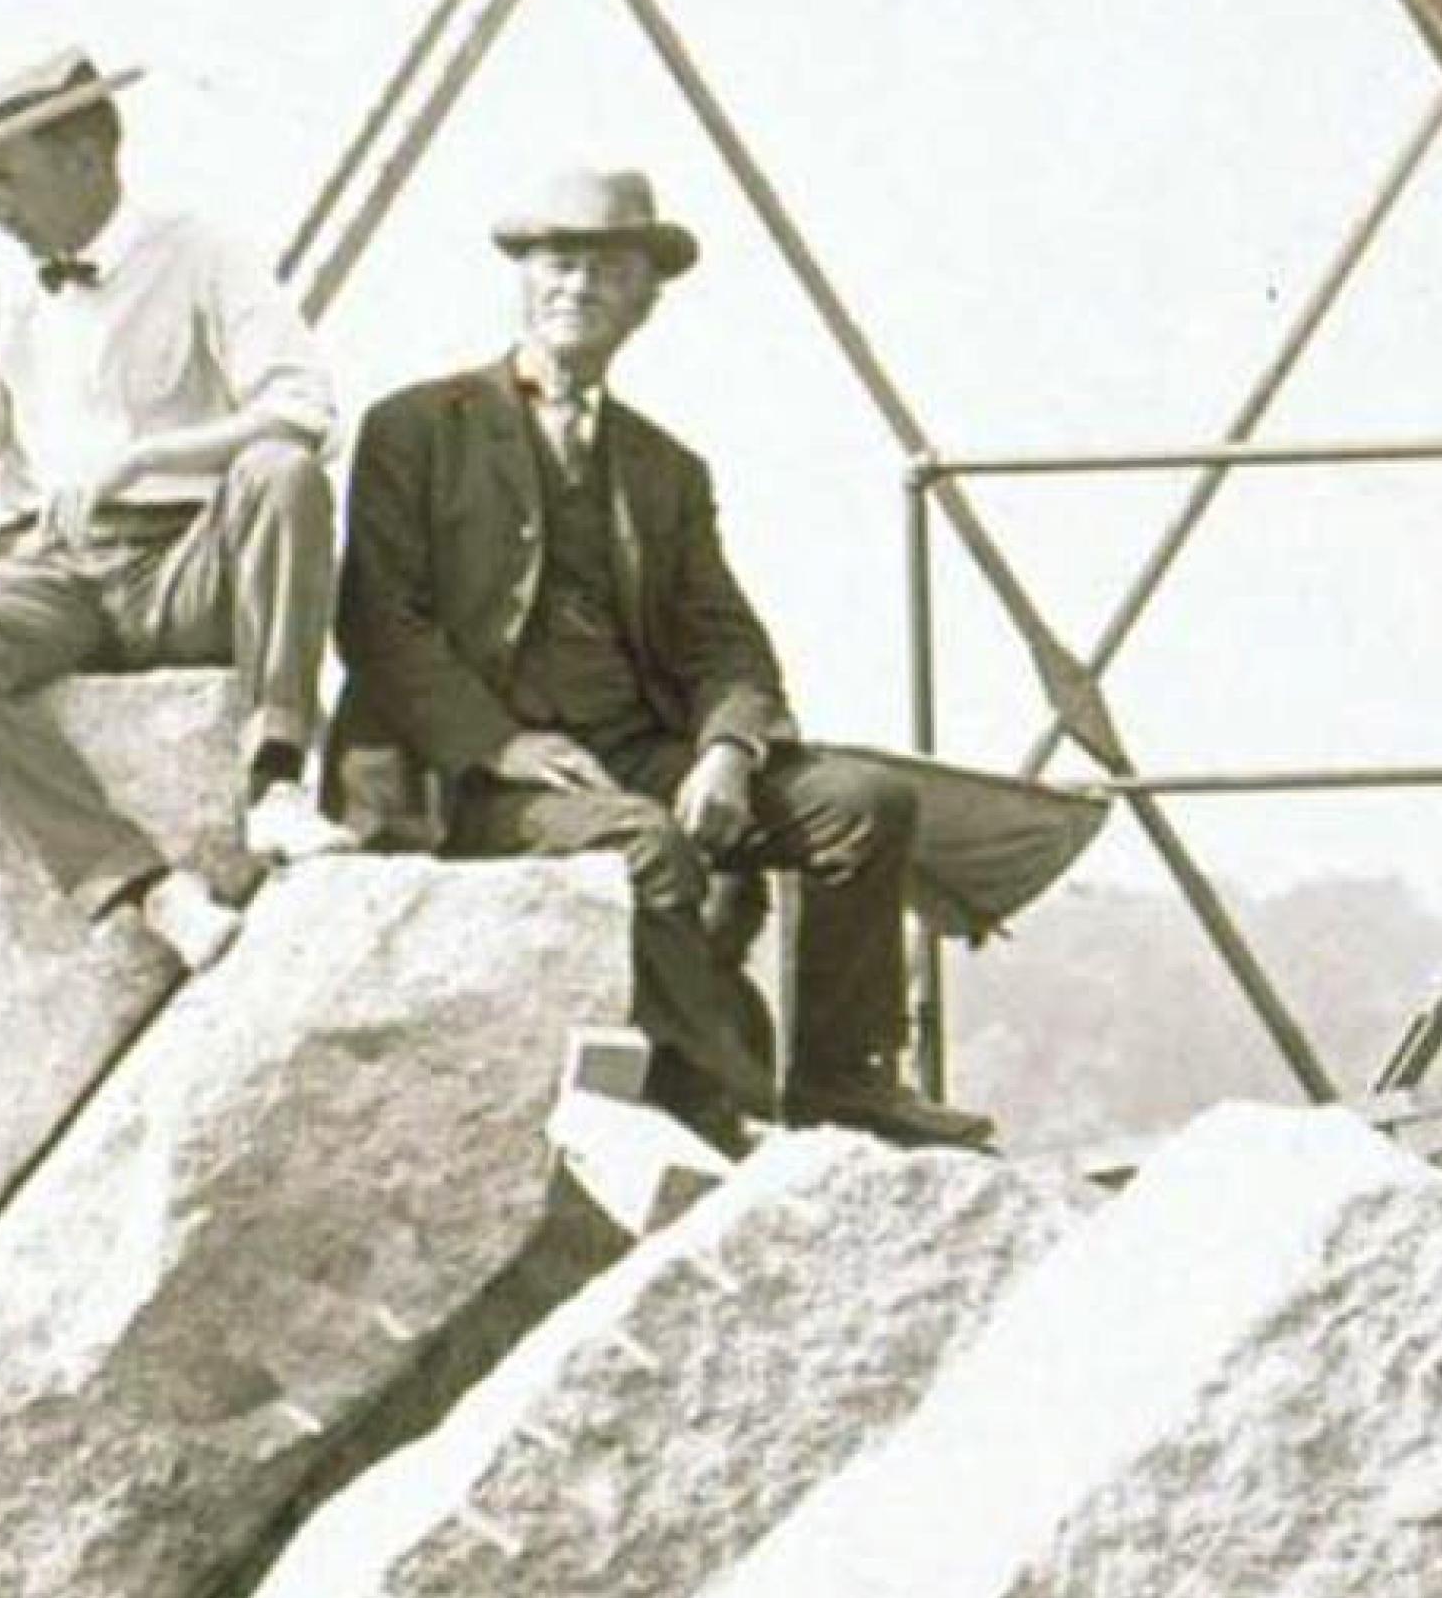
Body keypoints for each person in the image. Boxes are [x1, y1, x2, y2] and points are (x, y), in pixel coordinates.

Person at [326, 168, 992, 1149]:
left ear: (646, 299)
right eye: (559, 262)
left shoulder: (663, 468)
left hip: (630, 751)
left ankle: (845, 1081)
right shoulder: (417, 428)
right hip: (464, 776)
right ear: (523, 278)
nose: (579, 285)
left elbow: (724, 635)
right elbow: (382, 626)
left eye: (609, 269)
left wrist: (727, 749)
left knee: (863, 804)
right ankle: (721, 1103)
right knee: (643, 841)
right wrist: (502, 745)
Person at [0, 48, 347, 977]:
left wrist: (146, 456)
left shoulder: (203, 252)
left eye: (3, 178)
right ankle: (147, 889)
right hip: (59, 569)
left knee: (283, 473)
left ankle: (275, 787)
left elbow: (304, 409)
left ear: (86, 158)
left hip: (190, 563)